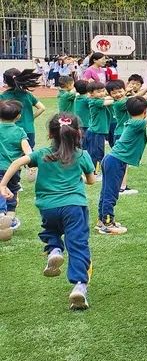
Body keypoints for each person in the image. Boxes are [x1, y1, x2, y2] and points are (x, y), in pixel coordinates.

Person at [0, 114, 96, 309]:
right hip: (74, 207)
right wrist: (79, 179)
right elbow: (91, 181)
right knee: (77, 244)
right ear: (78, 133)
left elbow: (18, 162)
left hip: (48, 207)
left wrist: (3, 184)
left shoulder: (42, 154)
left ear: (50, 133)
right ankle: (79, 286)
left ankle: (54, 249)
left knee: (50, 231)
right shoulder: (82, 155)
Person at [97, 89, 147, 236]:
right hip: (115, 161)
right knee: (111, 193)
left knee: (106, 192)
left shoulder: (133, 121)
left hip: (113, 160)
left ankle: (102, 220)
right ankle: (107, 224)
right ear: (144, 111)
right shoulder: (136, 124)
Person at [0, 100, 33, 238]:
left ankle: (1, 215)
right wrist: (32, 166)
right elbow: (28, 152)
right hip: (12, 170)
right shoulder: (19, 132)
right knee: (12, 194)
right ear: (18, 116)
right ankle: (9, 220)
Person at [1, 68, 45, 150]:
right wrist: (31, 118)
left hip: (11, 130)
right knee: (28, 154)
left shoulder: (3, 96)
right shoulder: (27, 94)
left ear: (5, 81)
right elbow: (42, 108)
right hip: (28, 129)